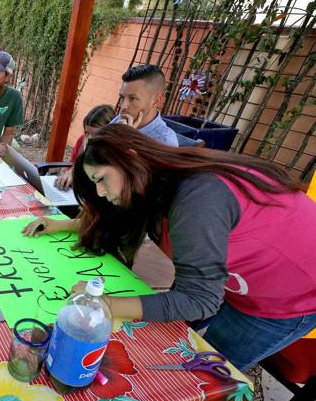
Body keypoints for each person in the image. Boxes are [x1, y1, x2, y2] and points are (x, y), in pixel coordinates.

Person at [23, 123, 316, 371]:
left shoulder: (197, 198)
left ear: (131, 157)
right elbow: (116, 221)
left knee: (208, 372)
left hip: (287, 298)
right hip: (231, 280)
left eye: (101, 179)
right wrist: (62, 224)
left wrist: (103, 304)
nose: (100, 191)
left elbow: (200, 299)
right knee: (171, 339)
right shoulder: (154, 185)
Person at [111, 64, 178, 147]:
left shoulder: (164, 141)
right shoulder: (122, 120)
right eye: (122, 97)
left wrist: (125, 141)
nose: (123, 106)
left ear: (155, 100)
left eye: (133, 98)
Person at [54, 104, 115, 190]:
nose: (89, 138)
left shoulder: (113, 153)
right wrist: (69, 174)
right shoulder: (82, 140)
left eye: (95, 134)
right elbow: (72, 164)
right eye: (87, 132)